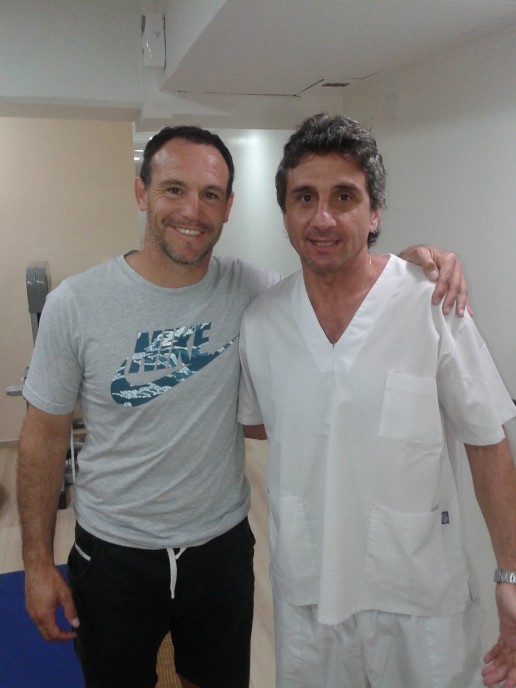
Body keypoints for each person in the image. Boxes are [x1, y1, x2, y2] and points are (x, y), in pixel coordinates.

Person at [17, 123, 468, 688]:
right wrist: (37, 562)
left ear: (228, 207)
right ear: (141, 193)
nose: (192, 210)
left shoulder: (255, 292)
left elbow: (344, 286)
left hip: (220, 550)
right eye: (174, 189)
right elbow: (42, 438)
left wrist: (409, 266)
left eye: (210, 194)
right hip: (113, 553)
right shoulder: (76, 305)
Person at [237, 114, 516, 688]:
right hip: (308, 591)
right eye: (304, 198)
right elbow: (262, 425)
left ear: (375, 213)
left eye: (344, 197)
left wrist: (510, 573)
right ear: (284, 212)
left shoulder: (431, 302)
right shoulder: (262, 322)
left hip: (419, 593)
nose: (323, 218)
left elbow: (487, 440)